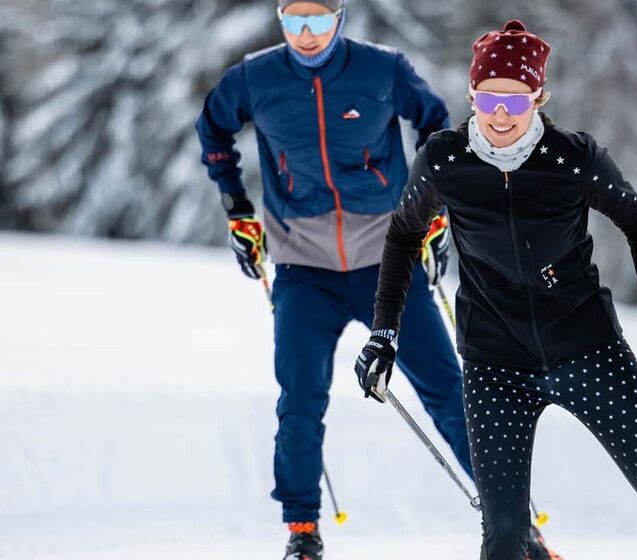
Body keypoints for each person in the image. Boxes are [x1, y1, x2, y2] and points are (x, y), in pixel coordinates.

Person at [355, 19, 637, 560]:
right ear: (472, 93)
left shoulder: (573, 158)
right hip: (496, 364)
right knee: (504, 530)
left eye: (516, 104)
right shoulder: (445, 162)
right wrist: (384, 334)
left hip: (589, 350)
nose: (500, 115)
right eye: (490, 98)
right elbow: (403, 235)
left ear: (539, 98)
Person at [195, 3, 561, 559]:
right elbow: (214, 131)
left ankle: (517, 527)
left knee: (447, 392)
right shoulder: (255, 78)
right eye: (295, 22)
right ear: (280, 20)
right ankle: (302, 535)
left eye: (318, 20)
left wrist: (434, 202)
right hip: (303, 268)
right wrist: (236, 208)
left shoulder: (382, 69)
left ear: (340, 17)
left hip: (389, 261)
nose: (308, 35)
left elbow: (437, 124)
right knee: (299, 398)